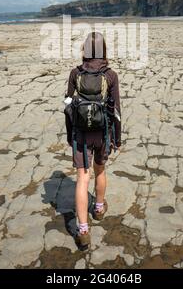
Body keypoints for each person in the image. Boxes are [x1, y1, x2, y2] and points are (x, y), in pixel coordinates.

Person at [64, 31, 121, 249]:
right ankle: (98, 209)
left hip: (80, 134)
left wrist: (70, 135)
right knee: (101, 170)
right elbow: (116, 110)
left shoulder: (74, 73)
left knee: (82, 178)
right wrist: (117, 138)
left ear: (85, 50)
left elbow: (68, 108)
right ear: (104, 50)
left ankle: (83, 231)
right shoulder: (111, 75)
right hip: (103, 133)